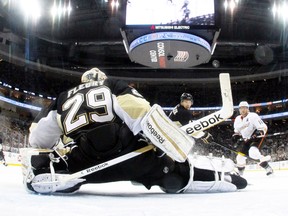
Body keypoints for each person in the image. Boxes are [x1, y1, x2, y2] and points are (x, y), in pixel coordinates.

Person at [21, 68, 247, 194]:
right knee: (176, 172)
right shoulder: (113, 85)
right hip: (132, 157)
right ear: (102, 78)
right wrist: (165, 145)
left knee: (65, 161)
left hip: (87, 164)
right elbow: (142, 116)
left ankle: (60, 173)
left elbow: (38, 139)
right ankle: (225, 178)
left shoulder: (61, 98)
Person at [232, 101, 273, 176]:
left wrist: (258, 133)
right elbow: (237, 131)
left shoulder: (253, 116)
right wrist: (235, 136)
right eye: (241, 108)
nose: (242, 110)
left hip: (256, 138)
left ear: (248, 109)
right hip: (246, 140)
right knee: (239, 158)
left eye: (244, 108)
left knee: (253, 153)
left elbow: (263, 127)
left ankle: (268, 168)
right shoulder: (237, 119)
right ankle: (240, 173)